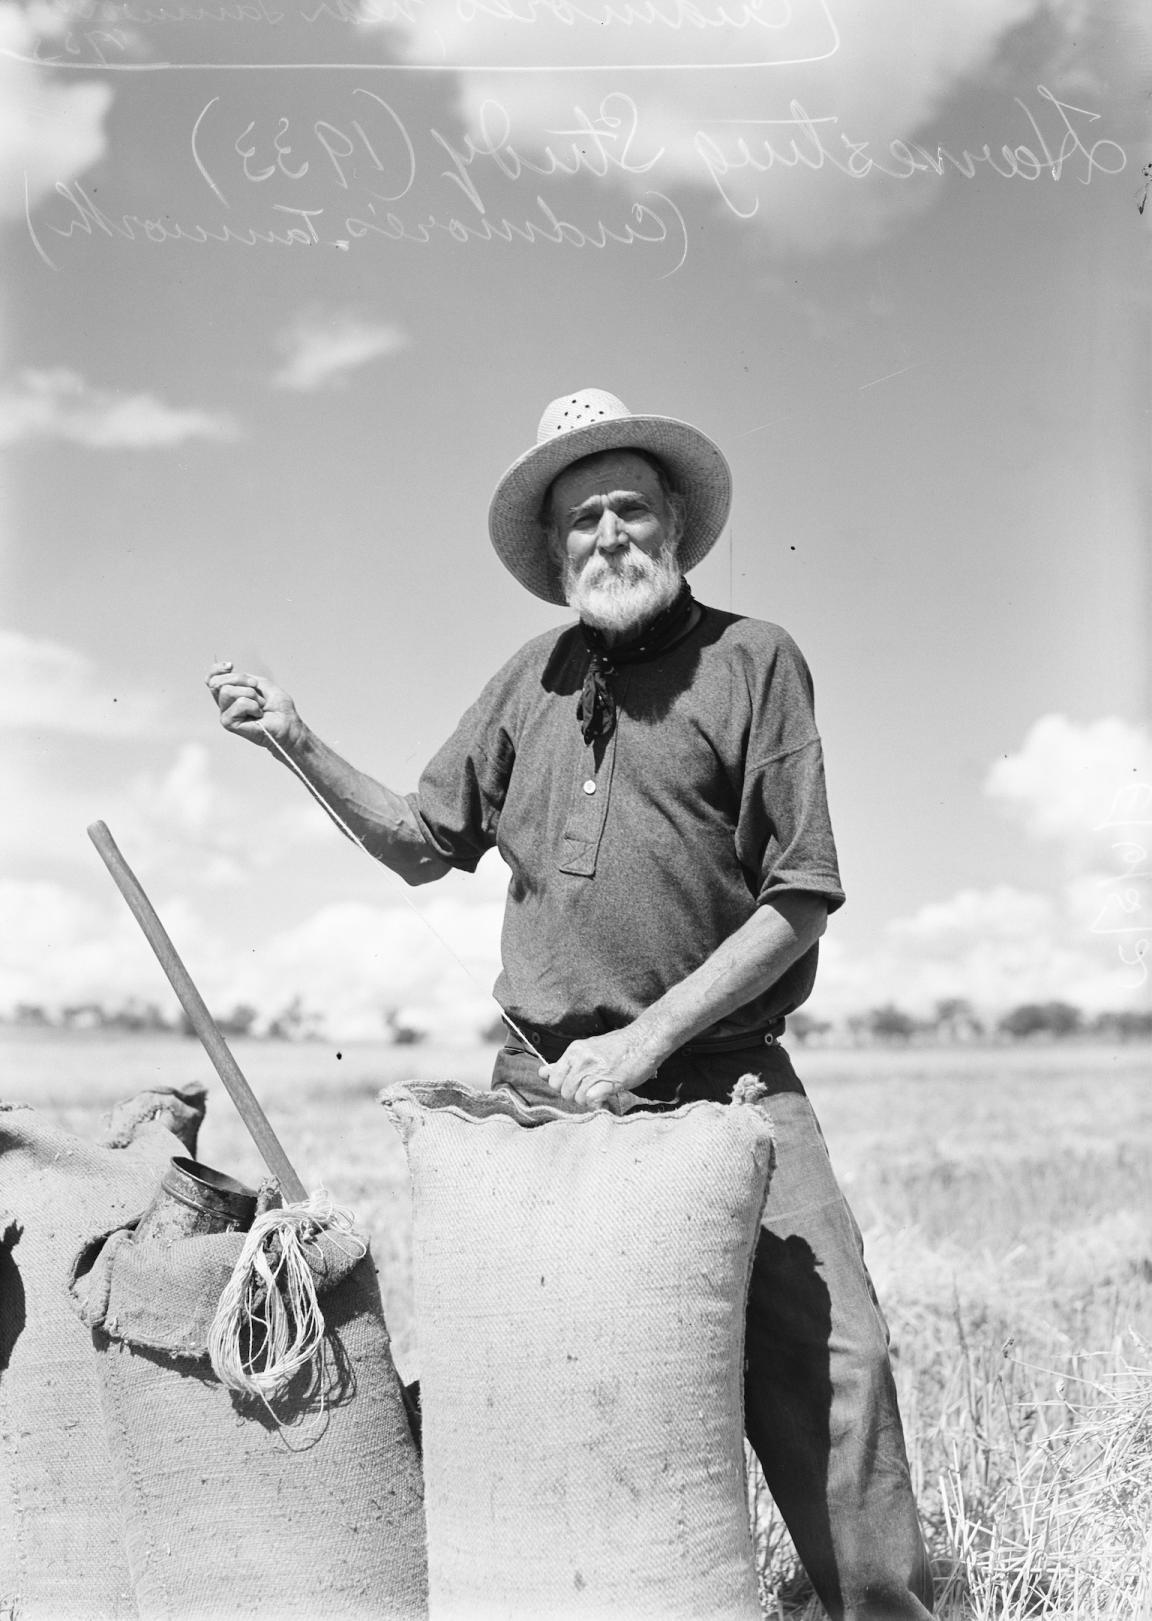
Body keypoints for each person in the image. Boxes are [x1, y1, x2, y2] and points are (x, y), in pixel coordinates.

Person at [207, 387, 935, 1620]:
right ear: (555, 553)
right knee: (539, 1387)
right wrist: (296, 737)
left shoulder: (754, 660)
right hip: (542, 1099)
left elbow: (798, 896)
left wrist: (652, 1039)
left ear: (676, 527)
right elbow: (421, 842)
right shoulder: (528, 680)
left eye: (631, 510)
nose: (610, 535)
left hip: (725, 1083)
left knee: (838, 1366)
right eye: (584, 517)